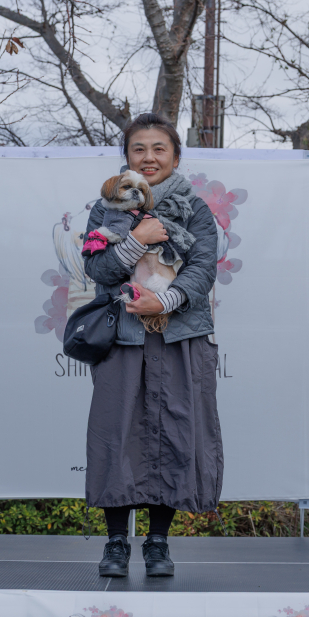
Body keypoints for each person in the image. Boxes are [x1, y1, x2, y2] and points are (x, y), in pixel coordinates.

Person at [82, 112, 223, 577]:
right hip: (122, 337)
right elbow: (97, 270)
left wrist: (163, 299)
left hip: (181, 337)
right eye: (138, 148)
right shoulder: (105, 209)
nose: (148, 157)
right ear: (126, 157)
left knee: (175, 435)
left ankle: (158, 543)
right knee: (116, 434)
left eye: (159, 149)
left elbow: (202, 268)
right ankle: (116, 543)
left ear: (175, 157)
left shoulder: (195, 209)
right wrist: (136, 239)